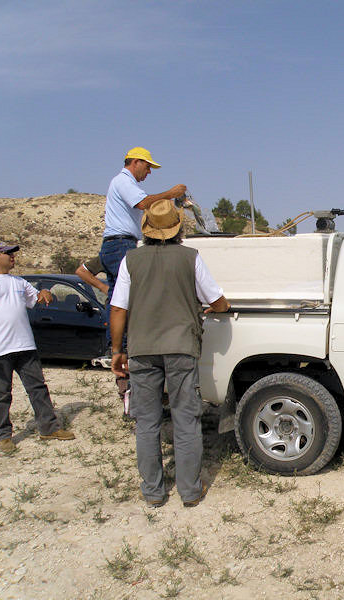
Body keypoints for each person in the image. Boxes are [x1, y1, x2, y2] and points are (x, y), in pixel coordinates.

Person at [110, 200, 230, 508]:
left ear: (146, 230)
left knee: (147, 422)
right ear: (177, 229)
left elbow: (118, 308)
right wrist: (218, 308)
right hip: (181, 348)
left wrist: (116, 350)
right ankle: (189, 492)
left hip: (142, 349)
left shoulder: (130, 260)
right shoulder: (190, 257)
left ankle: (153, 491)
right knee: (185, 419)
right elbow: (217, 301)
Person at [0, 242, 76, 453]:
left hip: (24, 345)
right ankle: (3, 436)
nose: (13, 256)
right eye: (7, 253)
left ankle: (48, 428)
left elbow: (37, 298)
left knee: (38, 388)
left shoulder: (18, 282)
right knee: (2, 393)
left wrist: (45, 292)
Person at [99, 147, 186, 347]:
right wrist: (171, 194)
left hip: (116, 244)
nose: (148, 172)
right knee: (130, 295)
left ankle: (116, 345)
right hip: (121, 243)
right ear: (135, 162)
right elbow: (143, 203)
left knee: (117, 297)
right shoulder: (123, 181)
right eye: (147, 167)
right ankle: (125, 343)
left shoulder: (122, 183)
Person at [75, 256, 131, 416]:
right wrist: (104, 288)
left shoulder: (115, 251)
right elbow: (82, 271)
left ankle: (131, 405)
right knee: (123, 360)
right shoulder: (114, 252)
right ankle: (129, 405)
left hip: (121, 313)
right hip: (122, 313)